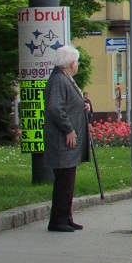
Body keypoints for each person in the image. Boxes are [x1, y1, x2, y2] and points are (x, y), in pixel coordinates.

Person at [43, 45, 90, 233]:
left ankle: (65, 217)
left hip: (66, 140)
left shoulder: (65, 79)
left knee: (67, 180)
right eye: (76, 62)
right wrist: (69, 129)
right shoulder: (59, 81)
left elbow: (67, 104)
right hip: (62, 140)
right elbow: (55, 108)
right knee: (64, 180)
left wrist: (82, 106)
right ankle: (58, 220)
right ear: (71, 63)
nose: (77, 65)